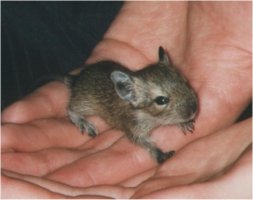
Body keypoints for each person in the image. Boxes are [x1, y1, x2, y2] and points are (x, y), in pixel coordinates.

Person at [1, 2, 252, 198]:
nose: (190, 105)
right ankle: (75, 115)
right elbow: (137, 136)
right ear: (129, 93)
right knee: (76, 102)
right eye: (163, 101)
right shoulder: (134, 116)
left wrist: (181, 119)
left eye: (184, 85)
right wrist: (157, 152)